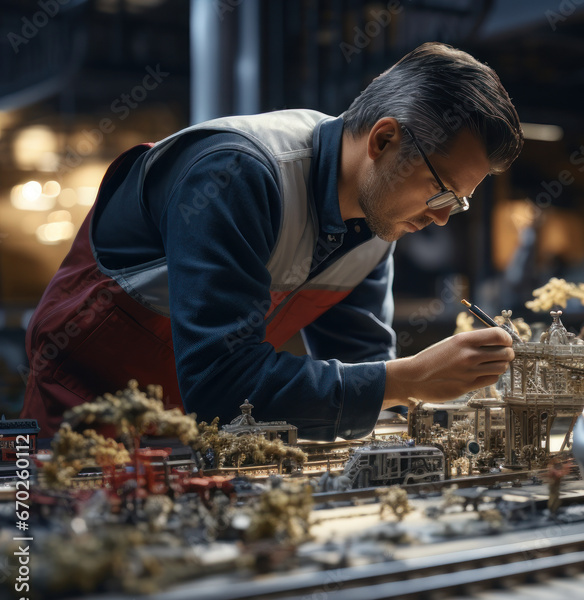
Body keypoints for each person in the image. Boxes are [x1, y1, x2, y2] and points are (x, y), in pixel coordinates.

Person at [21, 42, 523, 438]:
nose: (440, 219)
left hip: (196, 432)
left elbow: (363, 372)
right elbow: (222, 387)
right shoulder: (237, 173)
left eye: (456, 202)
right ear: (384, 140)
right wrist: (410, 378)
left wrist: (438, 394)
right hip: (81, 413)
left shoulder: (378, 223)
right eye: (440, 191)